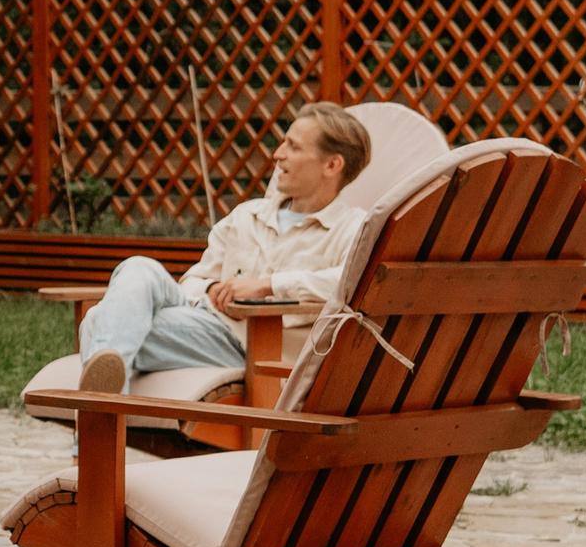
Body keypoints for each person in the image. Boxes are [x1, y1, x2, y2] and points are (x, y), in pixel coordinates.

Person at [74, 102, 374, 394]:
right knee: (139, 266)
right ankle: (107, 405)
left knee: (99, 323)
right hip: (203, 321)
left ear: (332, 165)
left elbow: (352, 282)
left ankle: (98, 422)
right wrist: (214, 289)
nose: (278, 154)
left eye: (293, 147)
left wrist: (268, 286)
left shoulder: (354, 228)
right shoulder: (247, 215)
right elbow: (195, 279)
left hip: (254, 345)